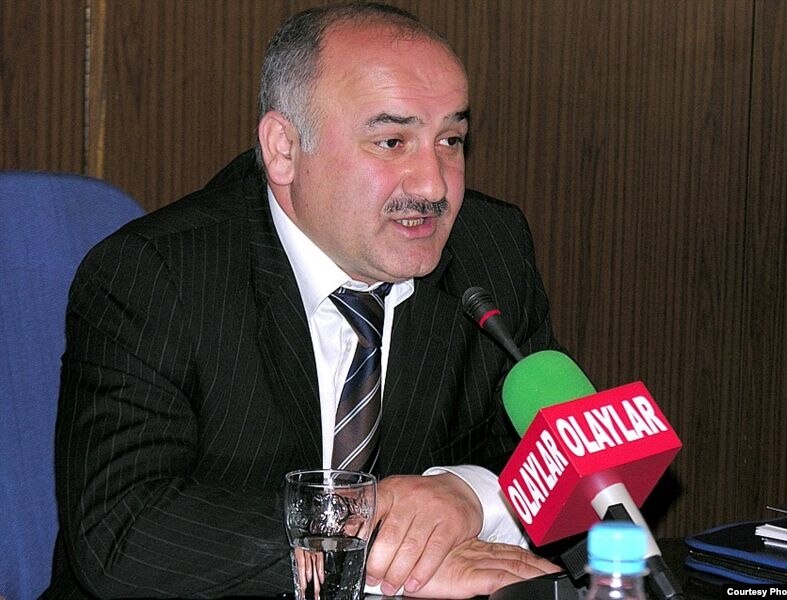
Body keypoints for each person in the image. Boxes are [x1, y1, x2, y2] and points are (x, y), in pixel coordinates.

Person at [45, 3, 565, 598]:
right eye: (392, 141)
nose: (433, 184)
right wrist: (367, 548)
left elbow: (564, 456)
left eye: (450, 139)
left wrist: (471, 494)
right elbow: (122, 533)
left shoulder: (489, 248)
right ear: (284, 149)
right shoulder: (157, 275)